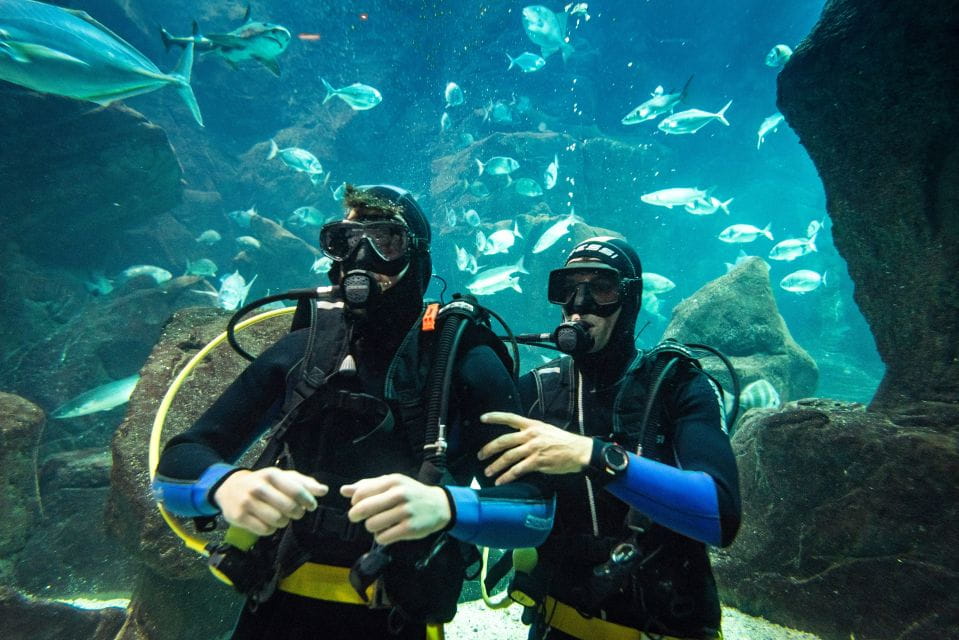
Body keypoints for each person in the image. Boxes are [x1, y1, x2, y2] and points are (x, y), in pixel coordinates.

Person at [152, 184, 555, 640]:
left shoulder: (462, 358)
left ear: (417, 256)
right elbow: (174, 467)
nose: (362, 259)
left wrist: (446, 507)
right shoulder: (302, 352)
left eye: (385, 240)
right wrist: (225, 485)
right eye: (344, 241)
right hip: (275, 607)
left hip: (396, 618)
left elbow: (536, 512)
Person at [479, 236, 741, 640]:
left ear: (630, 299)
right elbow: (511, 504)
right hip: (556, 625)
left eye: (601, 288)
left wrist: (593, 456)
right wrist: (444, 506)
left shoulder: (678, 385)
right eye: (568, 289)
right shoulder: (535, 391)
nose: (580, 304)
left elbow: (720, 517)